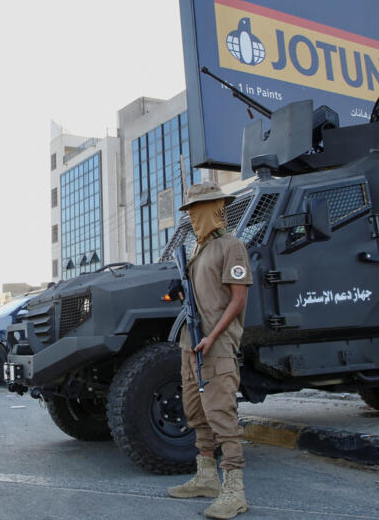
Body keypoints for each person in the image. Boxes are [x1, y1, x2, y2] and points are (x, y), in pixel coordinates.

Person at [166, 182, 253, 520]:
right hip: (192, 342)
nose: (193, 216)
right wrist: (179, 292)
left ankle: (234, 490)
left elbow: (239, 299)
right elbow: (200, 299)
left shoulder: (232, 246)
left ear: (216, 208)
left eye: (198, 209)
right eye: (190, 211)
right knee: (196, 411)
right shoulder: (197, 250)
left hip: (215, 346)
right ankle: (206, 478)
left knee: (222, 416)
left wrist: (213, 337)